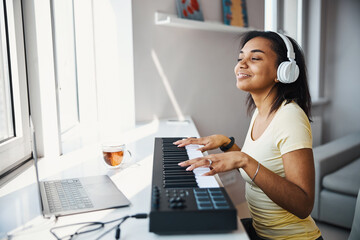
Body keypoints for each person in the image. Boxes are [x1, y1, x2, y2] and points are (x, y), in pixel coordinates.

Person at [174, 31, 323, 240]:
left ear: (283, 71)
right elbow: (261, 165)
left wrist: (242, 159)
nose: (241, 64)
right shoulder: (260, 112)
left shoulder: (290, 117)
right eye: (240, 58)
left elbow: (303, 204)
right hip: (261, 231)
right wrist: (226, 143)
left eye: (254, 58)